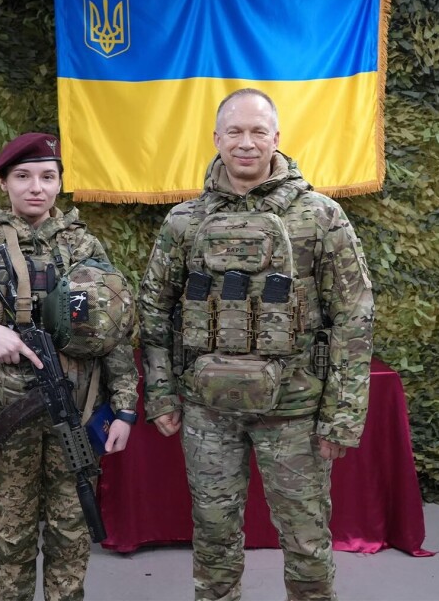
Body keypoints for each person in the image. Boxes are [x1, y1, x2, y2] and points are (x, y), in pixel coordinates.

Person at [139, 89, 374, 601]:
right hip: (207, 410)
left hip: (295, 411)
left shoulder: (320, 216)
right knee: (214, 537)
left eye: (258, 131)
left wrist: (342, 417)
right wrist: (160, 394)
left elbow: (353, 316)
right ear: (216, 138)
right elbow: (154, 309)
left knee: (306, 540)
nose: (246, 143)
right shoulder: (184, 221)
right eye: (235, 132)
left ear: (276, 138)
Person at [0, 132, 139, 601]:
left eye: (47, 177)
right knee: (13, 538)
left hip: (76, 410)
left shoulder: (83, 246)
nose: (36, 187)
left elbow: (112, 332)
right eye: (23, 176)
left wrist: (124, 408)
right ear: (4, 183)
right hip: (9, 414)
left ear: (59, 183)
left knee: (71, 534)